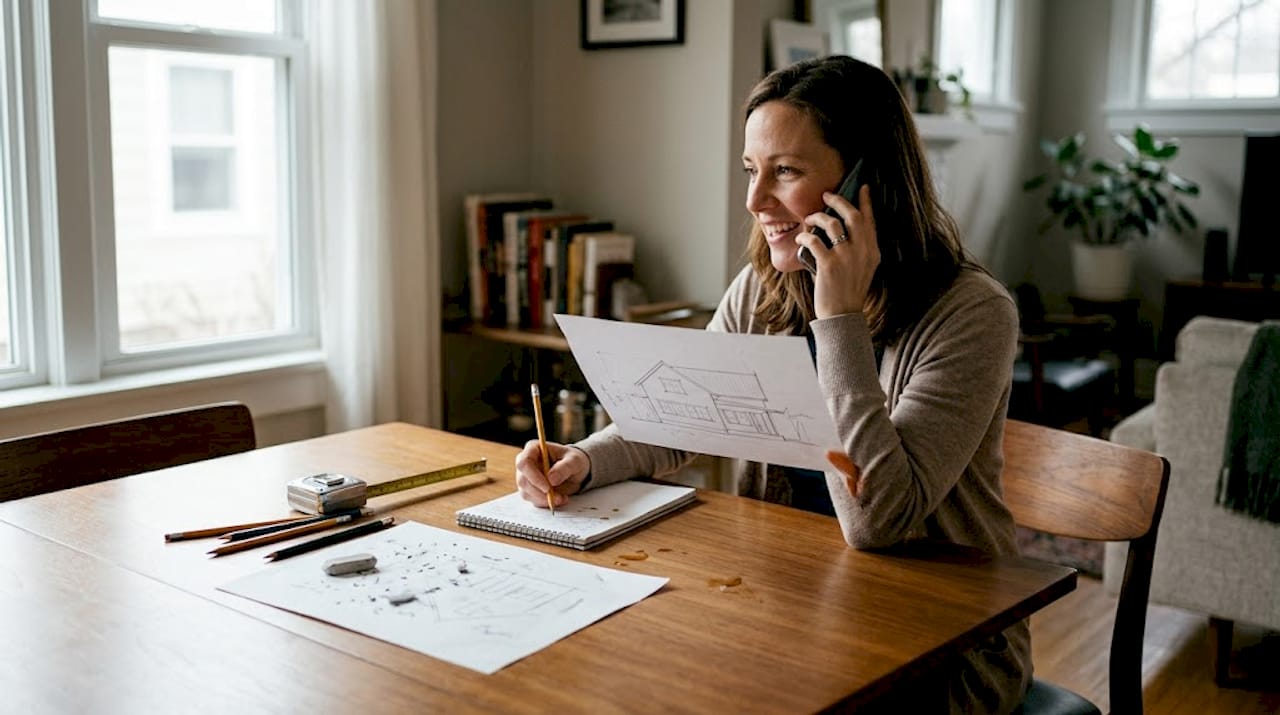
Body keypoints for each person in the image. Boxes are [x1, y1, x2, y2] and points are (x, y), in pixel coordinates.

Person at [514, 55, 1026, 713]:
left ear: (869, 182)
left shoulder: (971, 312)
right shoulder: (764, 289)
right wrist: (583, 461)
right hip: (790, 611)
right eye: (752, 171)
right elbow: (680, 417)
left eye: (784, 172)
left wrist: (838, 318)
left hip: (940, 653)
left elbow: (880, 519)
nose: (756, 202)